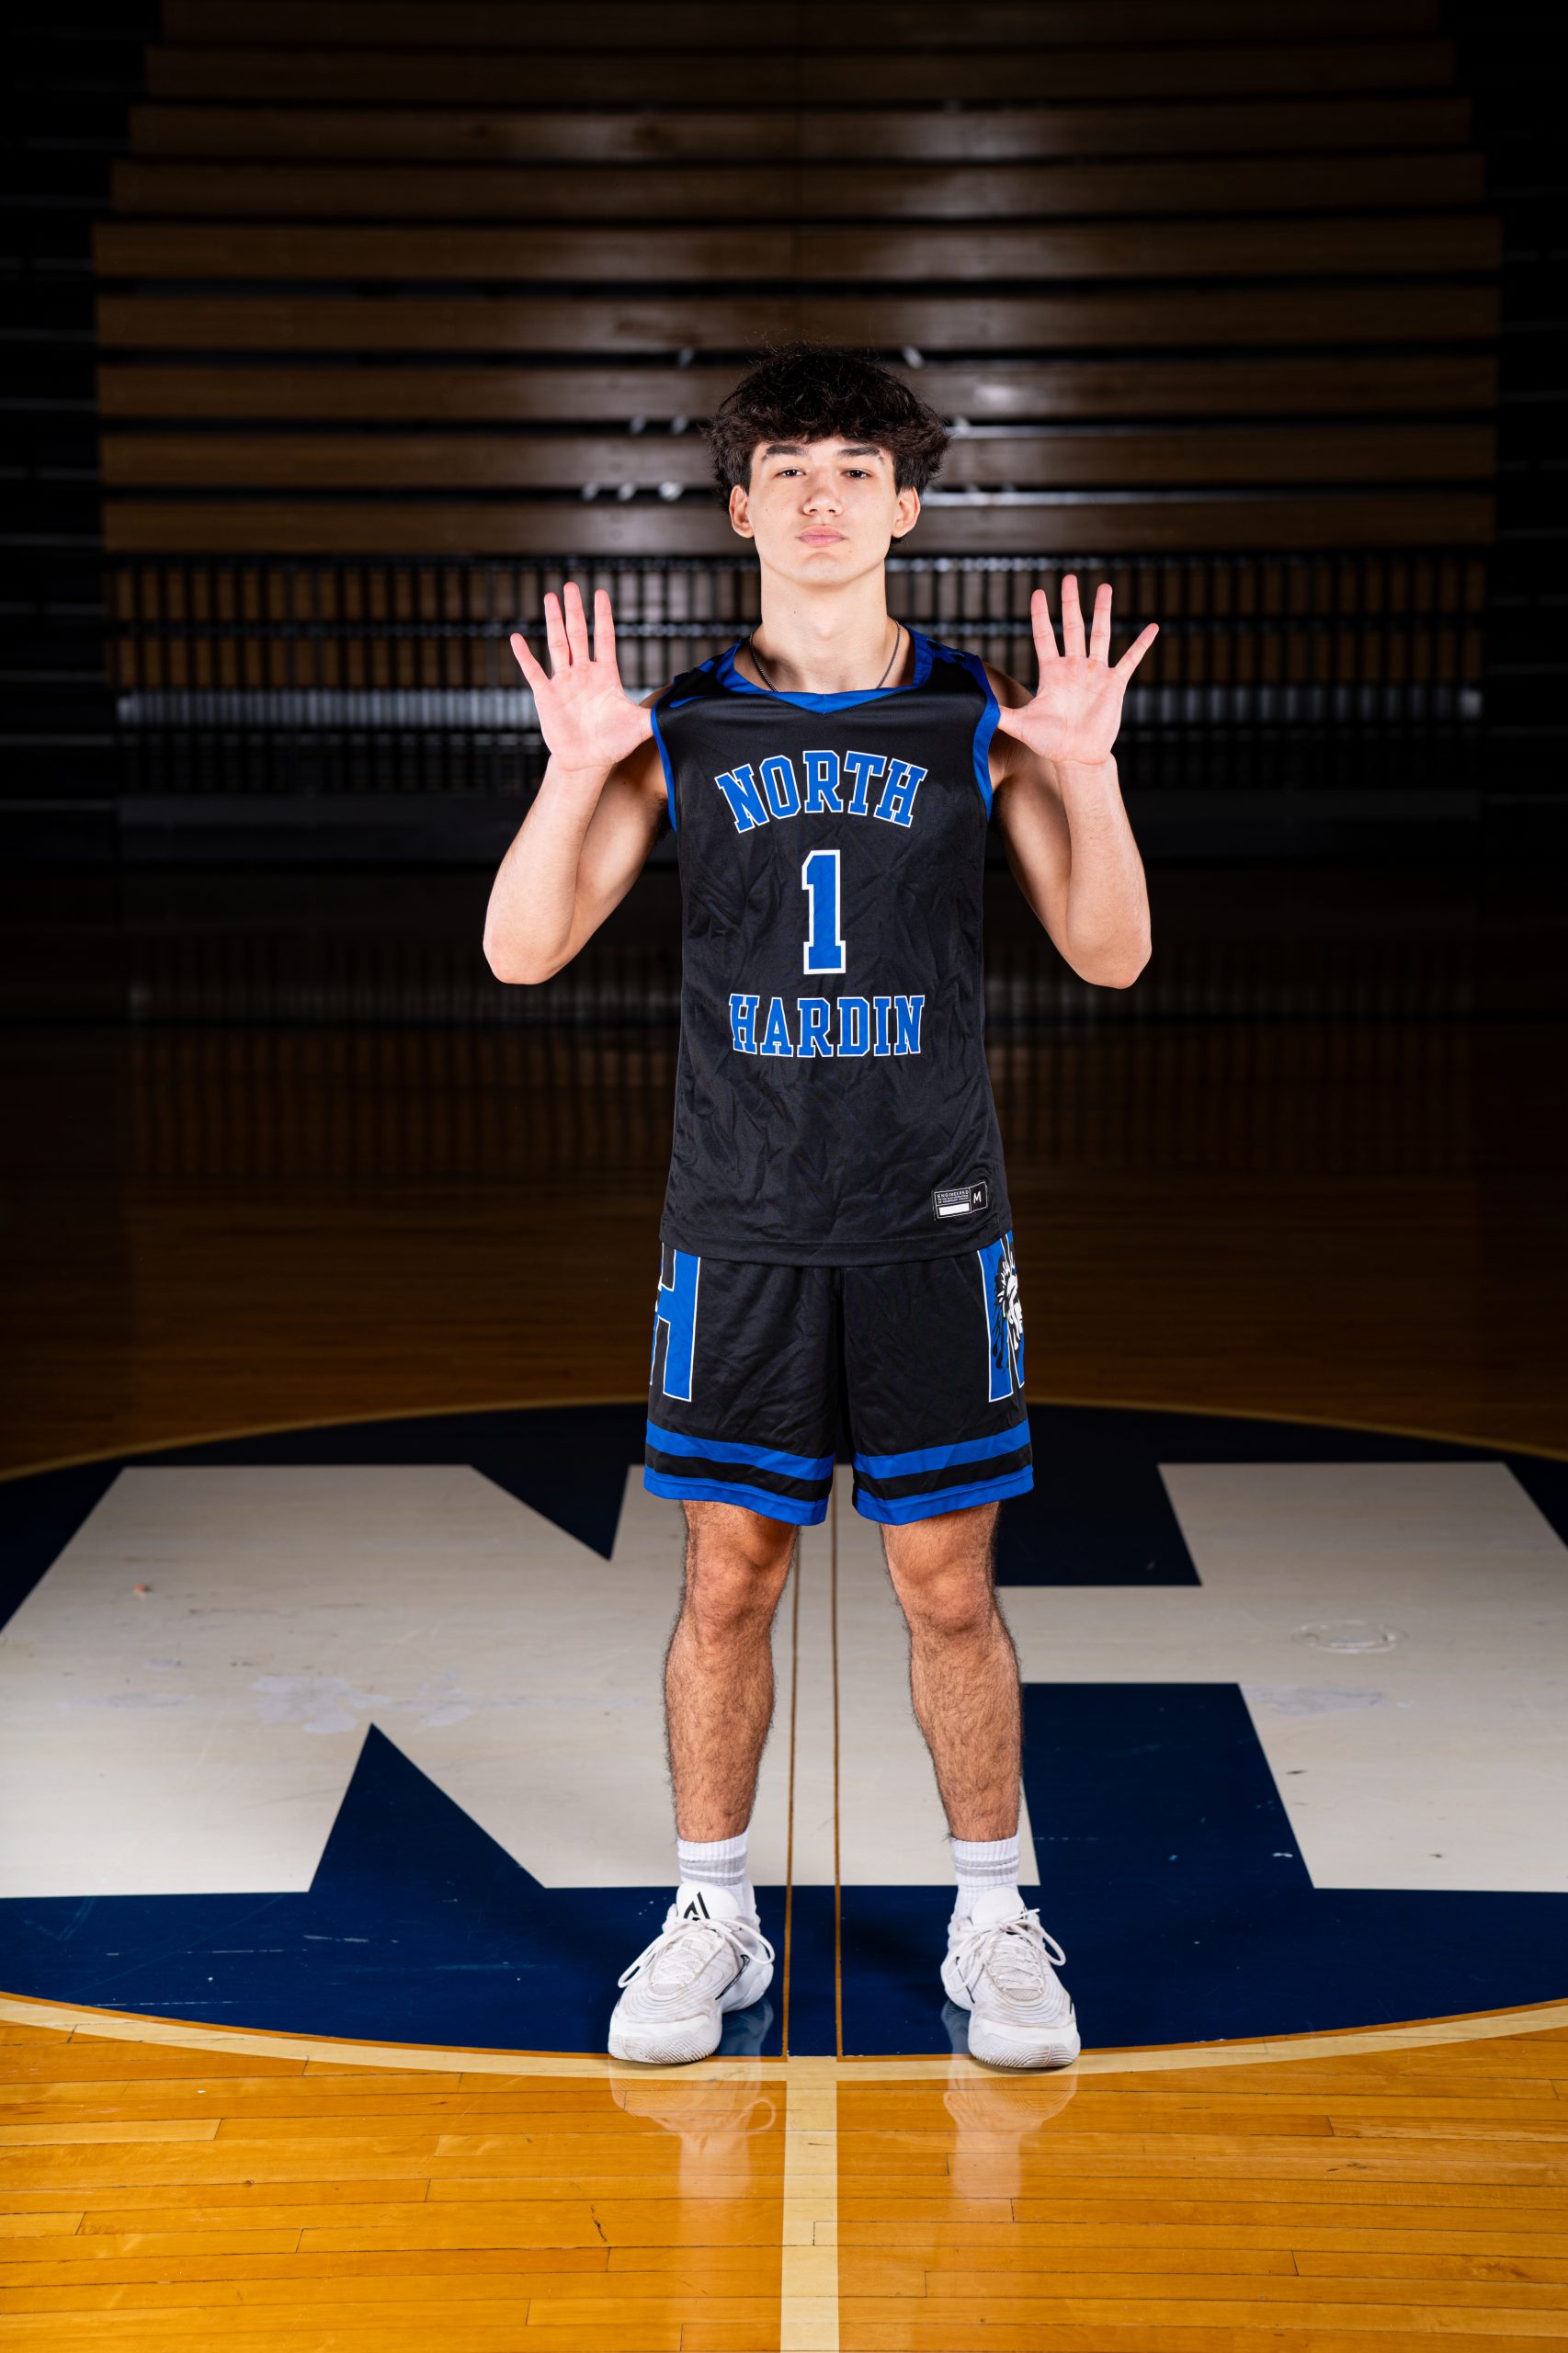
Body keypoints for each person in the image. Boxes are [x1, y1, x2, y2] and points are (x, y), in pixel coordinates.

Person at [483, 343, 1156, 2069]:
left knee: (947, 1583)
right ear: (738, 508)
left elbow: (1110, 953)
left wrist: (1085, 771)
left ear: (906, 507)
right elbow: (521, 950)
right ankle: (711, 1915)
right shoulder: (680, 725)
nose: (819, 497)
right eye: (784, 468)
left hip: (933, 1219)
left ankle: (992, 1914)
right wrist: (570, 770)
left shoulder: (978, 718)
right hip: (741, 1221)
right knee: (727, 1577)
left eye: (856, 468)